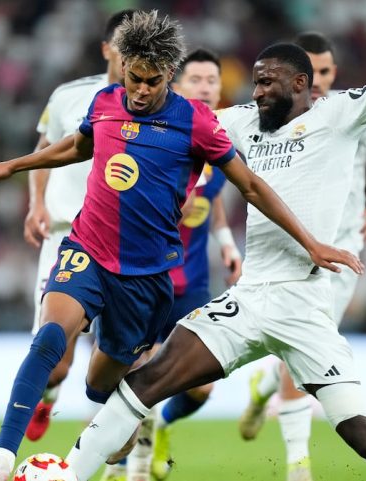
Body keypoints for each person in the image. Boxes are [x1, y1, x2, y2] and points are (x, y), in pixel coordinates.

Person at [63, 3, 366, 481]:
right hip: (250, 297)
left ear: (300, 84)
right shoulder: (242, 121)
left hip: (305, 303)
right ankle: (66, 474)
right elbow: (176, 127)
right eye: (255, 82)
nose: (255, 91)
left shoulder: (340, 113)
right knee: (146, 382)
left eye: (266, 83)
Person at [0, 10, 360, 481]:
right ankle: (1, 460)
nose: (139, 90)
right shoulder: (105, 101)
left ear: (169, 74)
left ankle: (125, 429)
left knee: (99, 386)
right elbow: (78, 146)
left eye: (151, 82)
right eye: (133, 78)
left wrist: (311, 244)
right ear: (123, 67)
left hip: (145, 277)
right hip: (87, 248)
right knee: (51, 336)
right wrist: (12, 166)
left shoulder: (195, 122)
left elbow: (251, 187)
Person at [237, 31, 366, 481]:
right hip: (284, 256)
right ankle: (298, 466)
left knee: (300, 355)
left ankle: (268, 389)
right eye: (312, 71)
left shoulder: (350, 113)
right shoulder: (268, 123)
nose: (319, 80)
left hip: (341, 255)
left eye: (327, 71)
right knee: (300, 353)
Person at [23, 8, 135, 446]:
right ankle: (49, 395)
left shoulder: (158, 104)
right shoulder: (69, 96)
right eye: (124, 46)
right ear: (107, 49)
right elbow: (45, 149)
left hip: (124, 242)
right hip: (66, 234)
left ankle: (115, 443)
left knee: (117, 354)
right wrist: (36, 203)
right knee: (57, 360)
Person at [144, 48, 243, 481]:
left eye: (211, 80)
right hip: (147, 278)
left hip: (194, 284)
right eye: (196, 79)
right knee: (136, 375)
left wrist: (227, 244)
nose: (204, 87)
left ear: (220, 90)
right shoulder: (159, 138)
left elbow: (213, 203)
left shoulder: (220, 146)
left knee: (201, 388)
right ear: (178, 87)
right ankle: (126, 463)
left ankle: (162, 427)